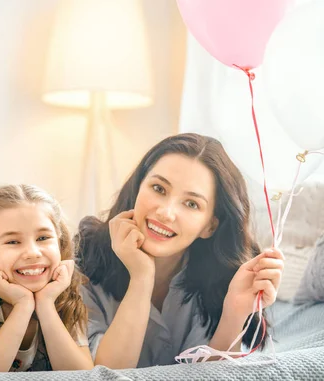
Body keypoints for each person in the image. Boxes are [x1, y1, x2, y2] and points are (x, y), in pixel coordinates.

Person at [76, 133, 284, 368]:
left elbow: (214, 375)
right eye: (158, 188)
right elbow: (105, 374)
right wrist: (142, 277)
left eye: (191, 204)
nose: (166, 212)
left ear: (210, 226)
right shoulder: (83, 261)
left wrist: (234, 312)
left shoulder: (221, 280)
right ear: (138, 188)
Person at [0, 184, 93, 372]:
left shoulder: (65, 299)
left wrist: (46, 304)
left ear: (59, 243)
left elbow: (83, 375)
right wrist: (23, 306)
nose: (32, 253)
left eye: (43, 238)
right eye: (13, 242)